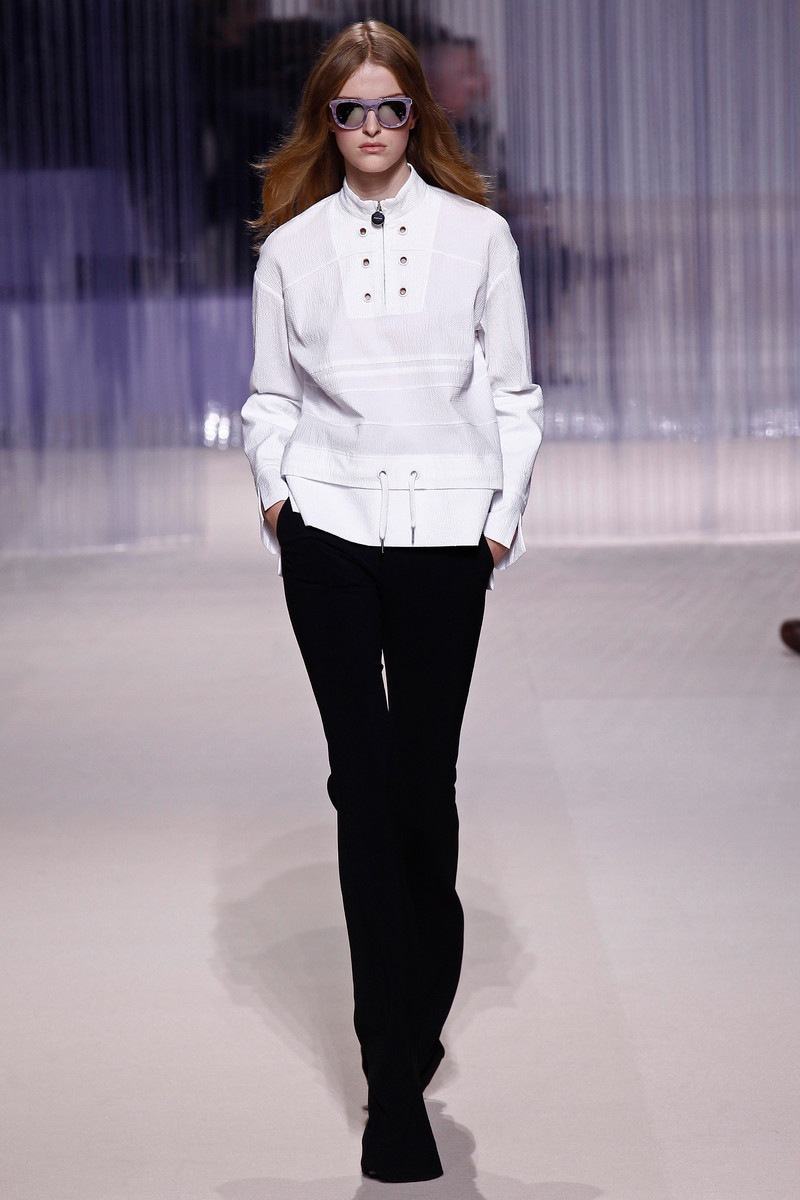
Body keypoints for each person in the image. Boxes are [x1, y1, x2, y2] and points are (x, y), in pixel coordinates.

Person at [241, 18, 543, 1184]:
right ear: (325, 121)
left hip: (443, 533)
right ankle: (391, 1089)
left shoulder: (478, 237)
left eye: (389, 107)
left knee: (421, 789)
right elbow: (270, 398)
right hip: (327, 529)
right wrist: (279, 500)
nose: (370, 127)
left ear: (419, 114)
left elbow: (511, 391)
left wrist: (499, 517)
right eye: (349, 110)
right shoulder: (289, 249)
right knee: (360, 787)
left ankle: (417, 1005)